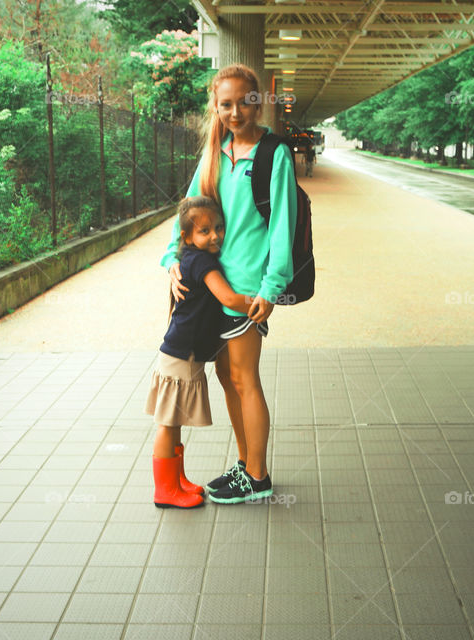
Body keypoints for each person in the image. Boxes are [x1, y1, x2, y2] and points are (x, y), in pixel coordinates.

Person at [160, 63, 296, 505]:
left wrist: (271, 289)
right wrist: (171, 258)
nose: (236, 112)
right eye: (226, 104)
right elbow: (191, 210)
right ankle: (247, 463)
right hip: (213, 290)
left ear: (258, 102)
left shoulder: (274, 153)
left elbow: (283, 228)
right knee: (225, 375)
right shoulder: (215, 153)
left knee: (244, 378)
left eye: (244, 102)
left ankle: (257, 476)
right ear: (215, 107)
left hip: (247, 294)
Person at [147, 196, 252, 509]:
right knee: (168, 423)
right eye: (205, 231)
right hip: (181, 354)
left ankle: (176, 480)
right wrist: (260, 302)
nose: (215, 235)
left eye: (218, 227)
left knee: (174, 421)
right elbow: (229, 298)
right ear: (187, 237)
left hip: (182, 353)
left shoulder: (191, 257)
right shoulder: (201, 262)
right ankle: (164, 489)